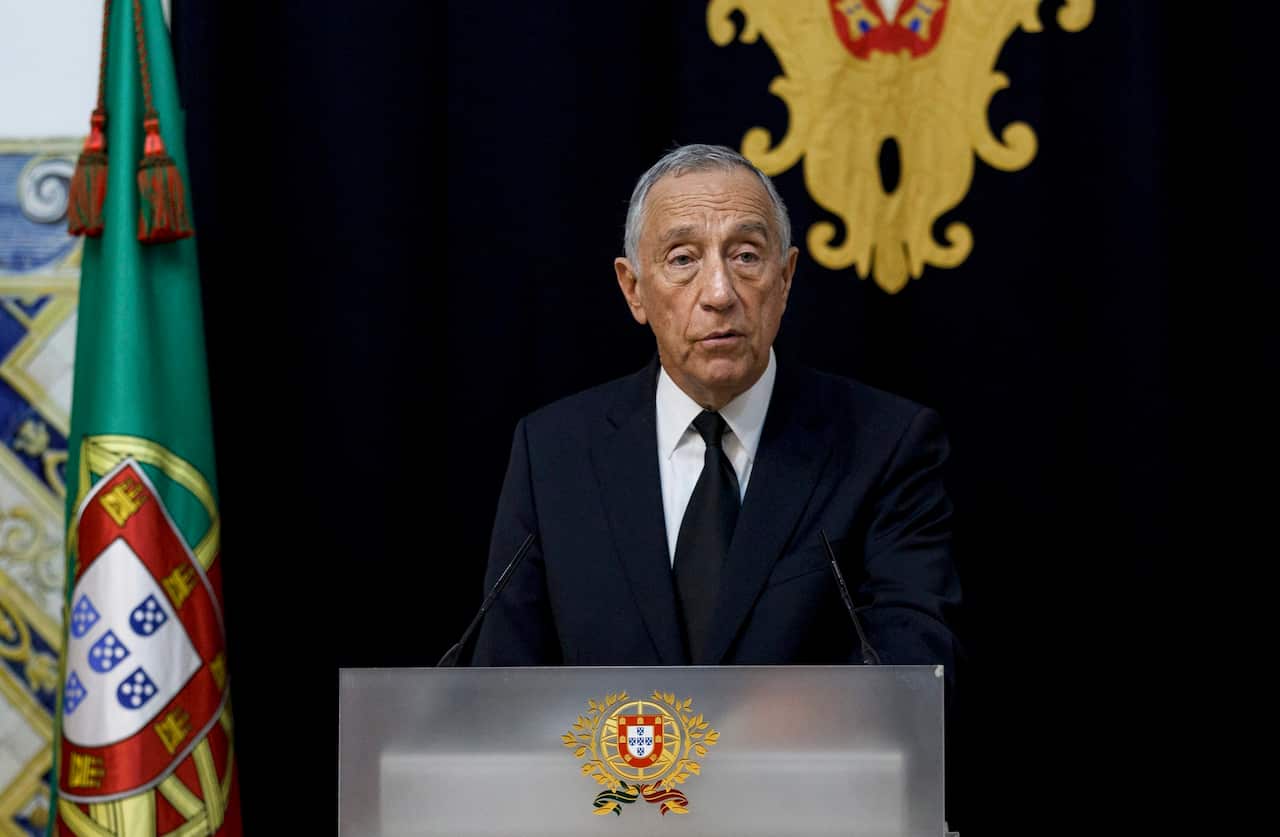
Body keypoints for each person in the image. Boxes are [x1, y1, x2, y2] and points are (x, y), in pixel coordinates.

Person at [470, 144, 961, 676]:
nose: (720, 293)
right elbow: (502, 687)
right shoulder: (554, 453)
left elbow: (915, 675)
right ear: (633, 290)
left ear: (786, 277)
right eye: (683, 259)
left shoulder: (885, 445)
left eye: (746, 255)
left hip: (799, 760)